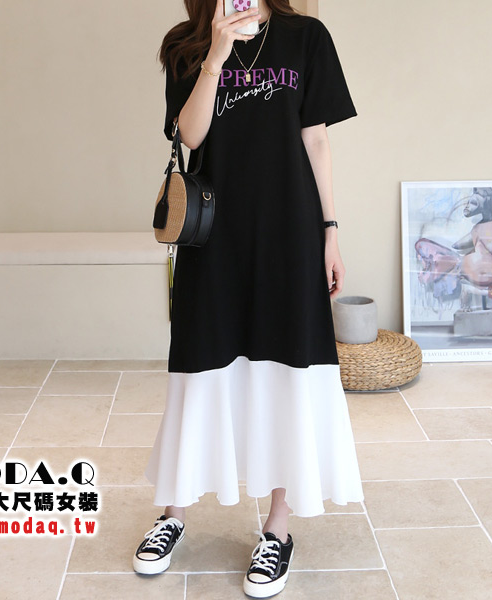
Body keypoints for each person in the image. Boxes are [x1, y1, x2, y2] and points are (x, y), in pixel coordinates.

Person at [134, 0, 364, 596]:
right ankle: (173, 513)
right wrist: (215, 54)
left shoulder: (305, 37)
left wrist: (330, 232)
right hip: (214, 234)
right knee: (199, 364)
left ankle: (277, 529)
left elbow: (315, 141)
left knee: (287, 365)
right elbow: (190, 135)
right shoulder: (186, 42)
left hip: (290, 229)